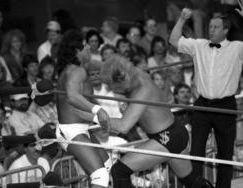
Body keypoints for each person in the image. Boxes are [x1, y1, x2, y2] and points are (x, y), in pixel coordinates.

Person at [169, 0, 243, 187]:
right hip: (202, 104)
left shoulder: (237, 48)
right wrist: (181, 19)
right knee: (196, 152)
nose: (211, 30)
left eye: (216, 27)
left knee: (225, 154)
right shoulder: (199, 45)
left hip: (225, 105)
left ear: (225, 30)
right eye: (210, 26)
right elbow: (173, 40)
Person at [101, 54, 213, 188]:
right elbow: (115, 65)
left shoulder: (142, 90)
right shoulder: (135, 73)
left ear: (120, 80)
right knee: (192, 181)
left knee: (119, 171)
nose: (113, 91)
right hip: (174, 132)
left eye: (113, 86)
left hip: (166, 138)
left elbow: (123, 126)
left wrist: (94, 116)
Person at [56, 29, 111, 188]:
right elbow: (72, 97)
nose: (90, 49)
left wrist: (95, 118)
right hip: (71, 131)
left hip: (79, 128)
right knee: (100, 176)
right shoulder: (75, 70)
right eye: (86, 45)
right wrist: (97, 111)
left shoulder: (76, 68)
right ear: (77, 50)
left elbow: (78, 102)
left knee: (108, 167)